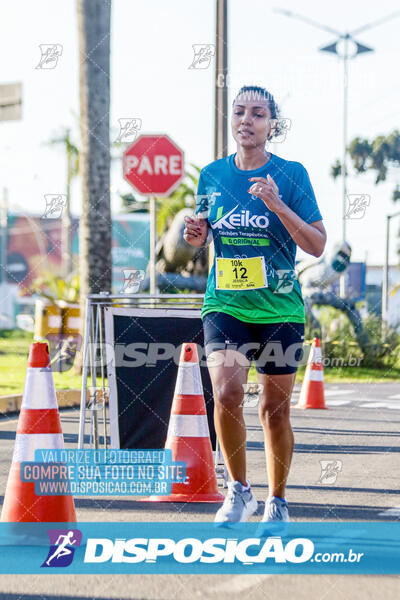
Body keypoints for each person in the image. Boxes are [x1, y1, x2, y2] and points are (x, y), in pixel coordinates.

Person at [183, 85, 326, 526]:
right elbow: (203, 233)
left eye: (258, 113)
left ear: (272, 125)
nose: (246, 119)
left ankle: (277, 500)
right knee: (225, 393)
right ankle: (239, 491)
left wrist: (277, 204)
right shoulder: (211, 175)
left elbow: (317, 244)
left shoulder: (292, 173)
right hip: (224, 302)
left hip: (279, 307)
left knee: (273, 409)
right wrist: (195, 235)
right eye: (239, 111)